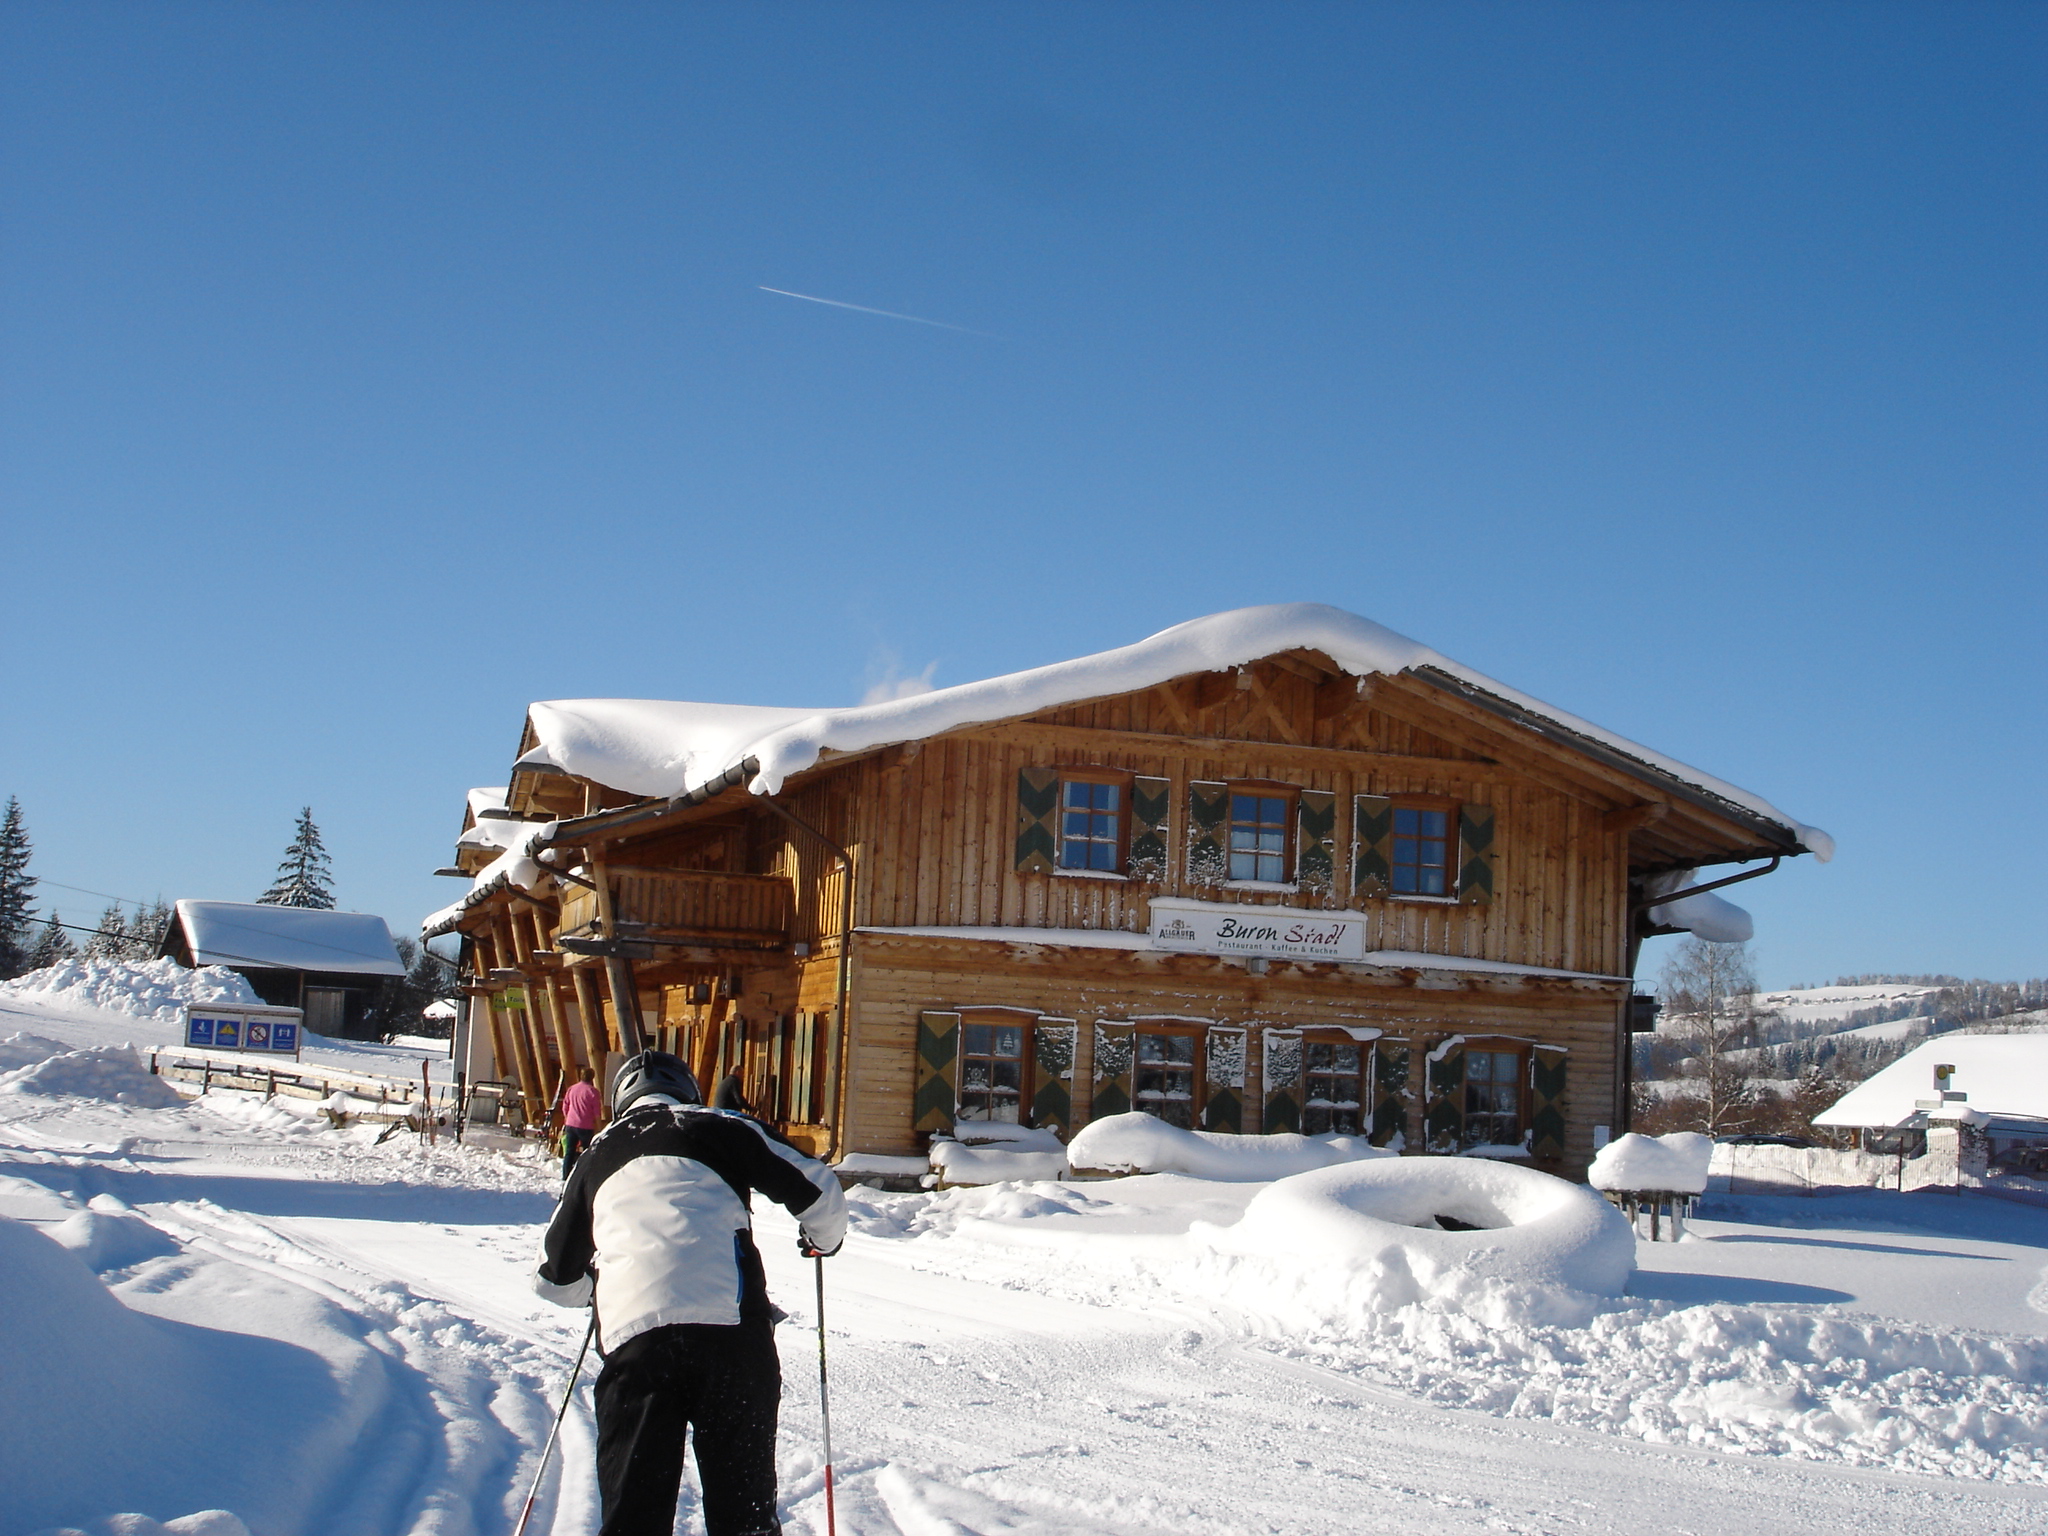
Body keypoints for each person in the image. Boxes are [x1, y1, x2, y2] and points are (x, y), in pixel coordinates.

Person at [535, 1049, 846, 1536]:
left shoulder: (596, 1153)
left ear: (619, 1103)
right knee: (742, 1513)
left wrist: (599, 1286)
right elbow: (820, 1193)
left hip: (636, 1343)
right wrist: (823, 1240)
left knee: (634, 1514)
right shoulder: (720, 1124)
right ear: (689, 1092)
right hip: (731, 1337)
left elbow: (554, 1280)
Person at [556, 1066, 602, 1179]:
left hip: (571, 1124)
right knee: (587, 1152)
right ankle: (585, 1176)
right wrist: (599, 1128)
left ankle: (565, 1175)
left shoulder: (572, 1089)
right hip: (585, 1126)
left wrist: (567, 1118)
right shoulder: (593, 1092)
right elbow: (597, 1112)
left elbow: (565, 1106)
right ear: (592, 1078)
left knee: (569, 1151)